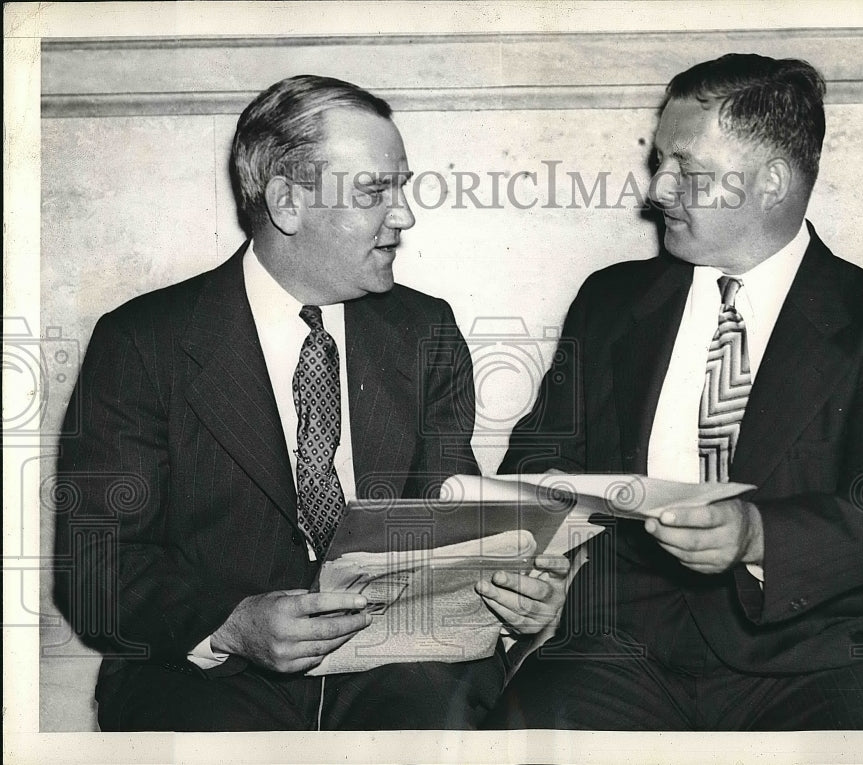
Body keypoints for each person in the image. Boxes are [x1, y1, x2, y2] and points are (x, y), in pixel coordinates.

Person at [53, 74, 567, 731]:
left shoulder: (425, 330)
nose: (405, 215)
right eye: (377, 191)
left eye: (402, 188)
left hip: (403, 673)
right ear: (288, 203)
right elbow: (95, 565)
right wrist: (231, 624)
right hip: (209, 675)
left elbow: (444, 517)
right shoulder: (143, 342)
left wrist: (513, 589)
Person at [487, 54, 863, 730]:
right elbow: (535, 466)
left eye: (689, 171)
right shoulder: (611, 300)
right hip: (621, 648)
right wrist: (538, 558)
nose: (660, 191)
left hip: (820, 654)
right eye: (660, 164)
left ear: (772, 182)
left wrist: (756, 533)